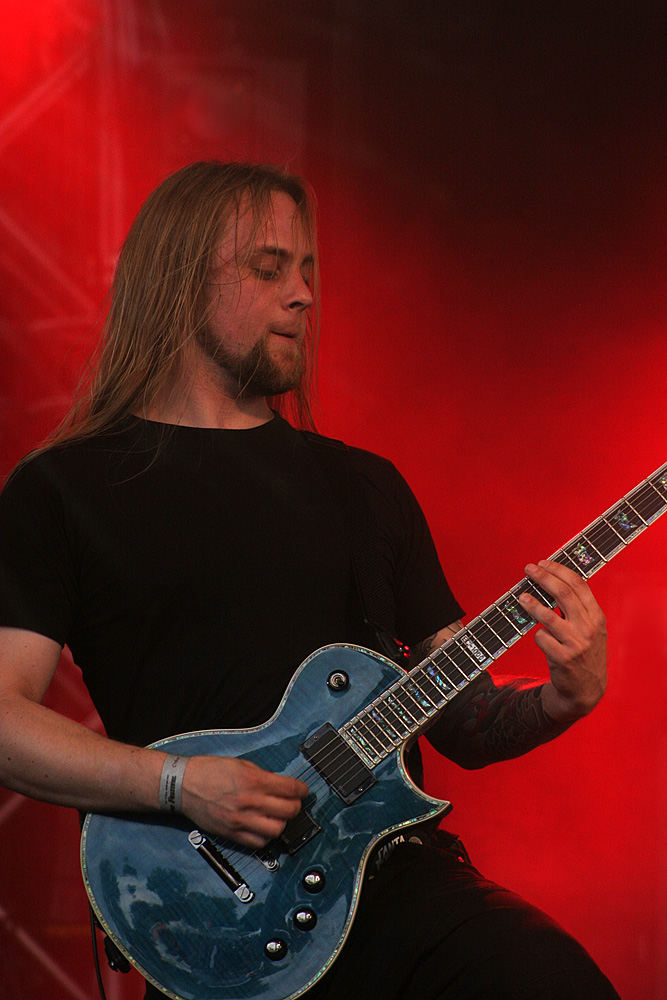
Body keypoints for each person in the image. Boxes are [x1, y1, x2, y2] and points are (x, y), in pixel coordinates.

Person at [0, 161, 618, 999]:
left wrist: (562, 698)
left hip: (394, 883)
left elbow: (464, 716)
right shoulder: (64, 490)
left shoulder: (363, 486)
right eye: (268, 269)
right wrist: (179, 784)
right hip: (216, 917)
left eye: (306, 270)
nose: (302, 295)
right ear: (179, 281)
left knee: (544, 978)